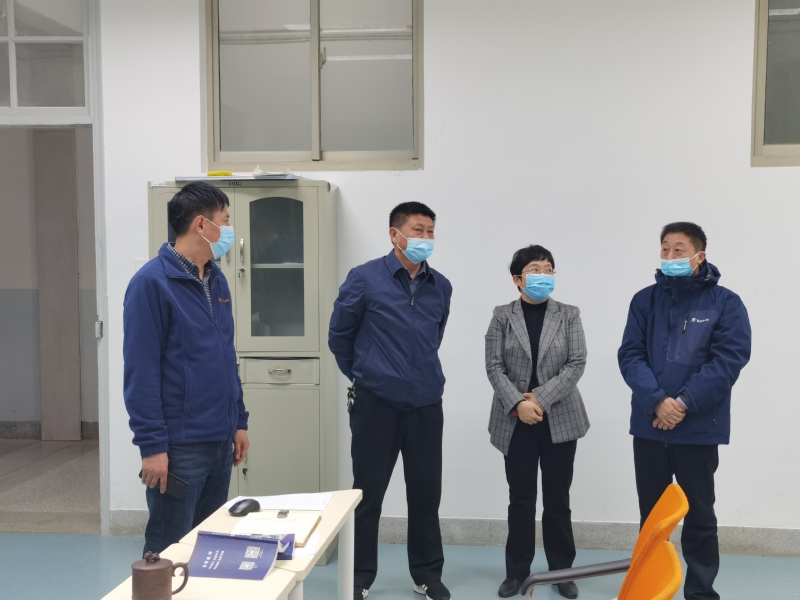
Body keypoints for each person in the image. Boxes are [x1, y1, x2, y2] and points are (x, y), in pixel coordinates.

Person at [618, 222, 751, 600]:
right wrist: (657, 401)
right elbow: (630, 355)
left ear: (699, 256)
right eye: (665, 249)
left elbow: (728, 360)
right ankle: (647, 589)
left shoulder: (725, 303)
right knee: (652, 519)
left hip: (698, 428)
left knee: (700, 516)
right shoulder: (644, 300)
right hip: (650, 426)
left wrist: (682, 403)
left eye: (679, 249)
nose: (670, 256)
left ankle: (701, 592)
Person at [328, 202, 453, 600]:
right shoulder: (365, 278)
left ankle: (427, 575)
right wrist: (366, 375)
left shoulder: (441, 286)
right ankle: (359, 577)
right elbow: (339, 336)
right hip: (375, 405)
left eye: (430, 231)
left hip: (426, 404)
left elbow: (434, 337)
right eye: (418, 230)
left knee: (425, 494)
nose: (426, 238)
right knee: (367, 495)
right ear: (394, 234)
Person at [123, 182, 250, 555]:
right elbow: (141, 372)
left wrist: (239, 420)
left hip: (219, 441)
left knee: (208, 551)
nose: (229, 230)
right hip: (180, 448)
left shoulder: (216, 280)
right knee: (169, 552)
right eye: (225, 220)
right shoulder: (151, 284)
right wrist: (152, 447)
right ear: (201, 225)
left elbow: (225, 357)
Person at [485, 245, 589, 600]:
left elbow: (576, 362)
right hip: (515, 420)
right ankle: (517, 573)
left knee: (558, 499)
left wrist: (539, 398)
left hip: (560, 418)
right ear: (518, 279)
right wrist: (519, 403)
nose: (543, 275)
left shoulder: (569, 314)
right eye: (534, 269)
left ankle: (562, 571)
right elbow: (494, 366)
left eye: (548, 269)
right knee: (521, 498)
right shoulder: (502, 315)